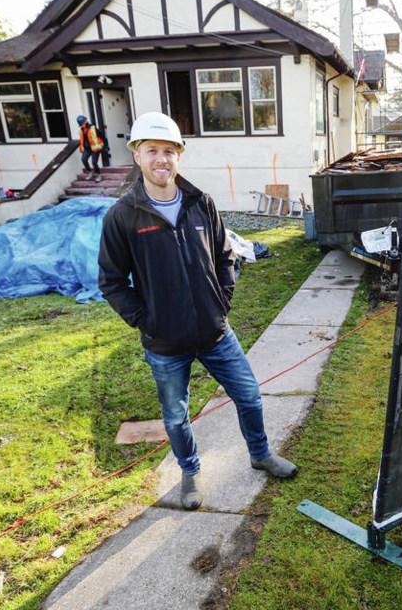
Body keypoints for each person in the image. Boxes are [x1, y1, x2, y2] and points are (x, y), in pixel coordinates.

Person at [98, 111, 297, 510]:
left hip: (215, 331)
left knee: (249, 396)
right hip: (165, 343)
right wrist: (146, 320)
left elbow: (225, 256)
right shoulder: (122, 216)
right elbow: (112, 281)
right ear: (137, 155)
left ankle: (260, 455)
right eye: (152, 150)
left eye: (169, 151)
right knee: (175, 416)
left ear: (179, 155)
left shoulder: (200, 203)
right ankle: (189, 472)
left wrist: (221, 301)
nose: (161, 159)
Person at [76, 115, 105, 182]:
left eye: (82, 123)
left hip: (95, 148)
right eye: (81, 124)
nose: (82, 125)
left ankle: (98, 175)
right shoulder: (81, 131)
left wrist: (104, 146)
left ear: (85, 122)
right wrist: (82, 147)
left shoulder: (93, 128)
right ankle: (90, 172)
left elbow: (101, 135)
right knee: (84, 159)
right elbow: (82, 140)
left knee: (94, 162)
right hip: (87, 148)